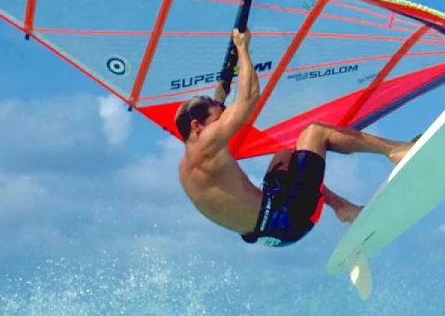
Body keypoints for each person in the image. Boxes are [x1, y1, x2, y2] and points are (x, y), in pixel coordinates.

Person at [174, 28, 414, 247]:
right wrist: (242, 48)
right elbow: (248, 98)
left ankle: (343, 208)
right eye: (219, 117)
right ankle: (395, 151)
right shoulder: (207, 143)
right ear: (197, 126)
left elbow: (218, 118)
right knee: (315, 132)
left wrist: (220, 94)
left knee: (288, 152)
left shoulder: (189, 162)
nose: (224, 119)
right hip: (288, 219)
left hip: (267, 229)